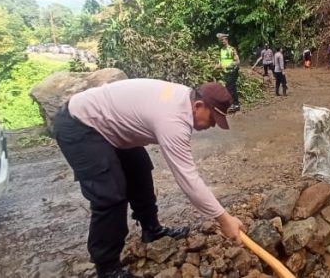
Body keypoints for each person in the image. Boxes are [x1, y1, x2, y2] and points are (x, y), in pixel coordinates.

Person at [53, 80, 245, 278]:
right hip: (79, 125)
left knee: (140, 168)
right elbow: (188, 179)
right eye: (212, 119)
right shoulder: (173, 120)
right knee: (110, 194)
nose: (212, 125)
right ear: (198, 106)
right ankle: (107, 268)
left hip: (109, 125)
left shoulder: (184, 99)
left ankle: (151, 230)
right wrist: (224, 219)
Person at [215, 33, 240, 112]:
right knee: (233, 87)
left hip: (232, 71)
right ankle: (236, 104)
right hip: (226, 72)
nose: (223, 42)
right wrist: (217, 66)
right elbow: (221, 61)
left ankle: (232, 104)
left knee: (229, 88)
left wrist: (229, 65)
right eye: (221, 40)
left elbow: (237, 61)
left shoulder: (231, 49)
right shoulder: (221, 50)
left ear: (227, 40)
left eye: (224, 40)